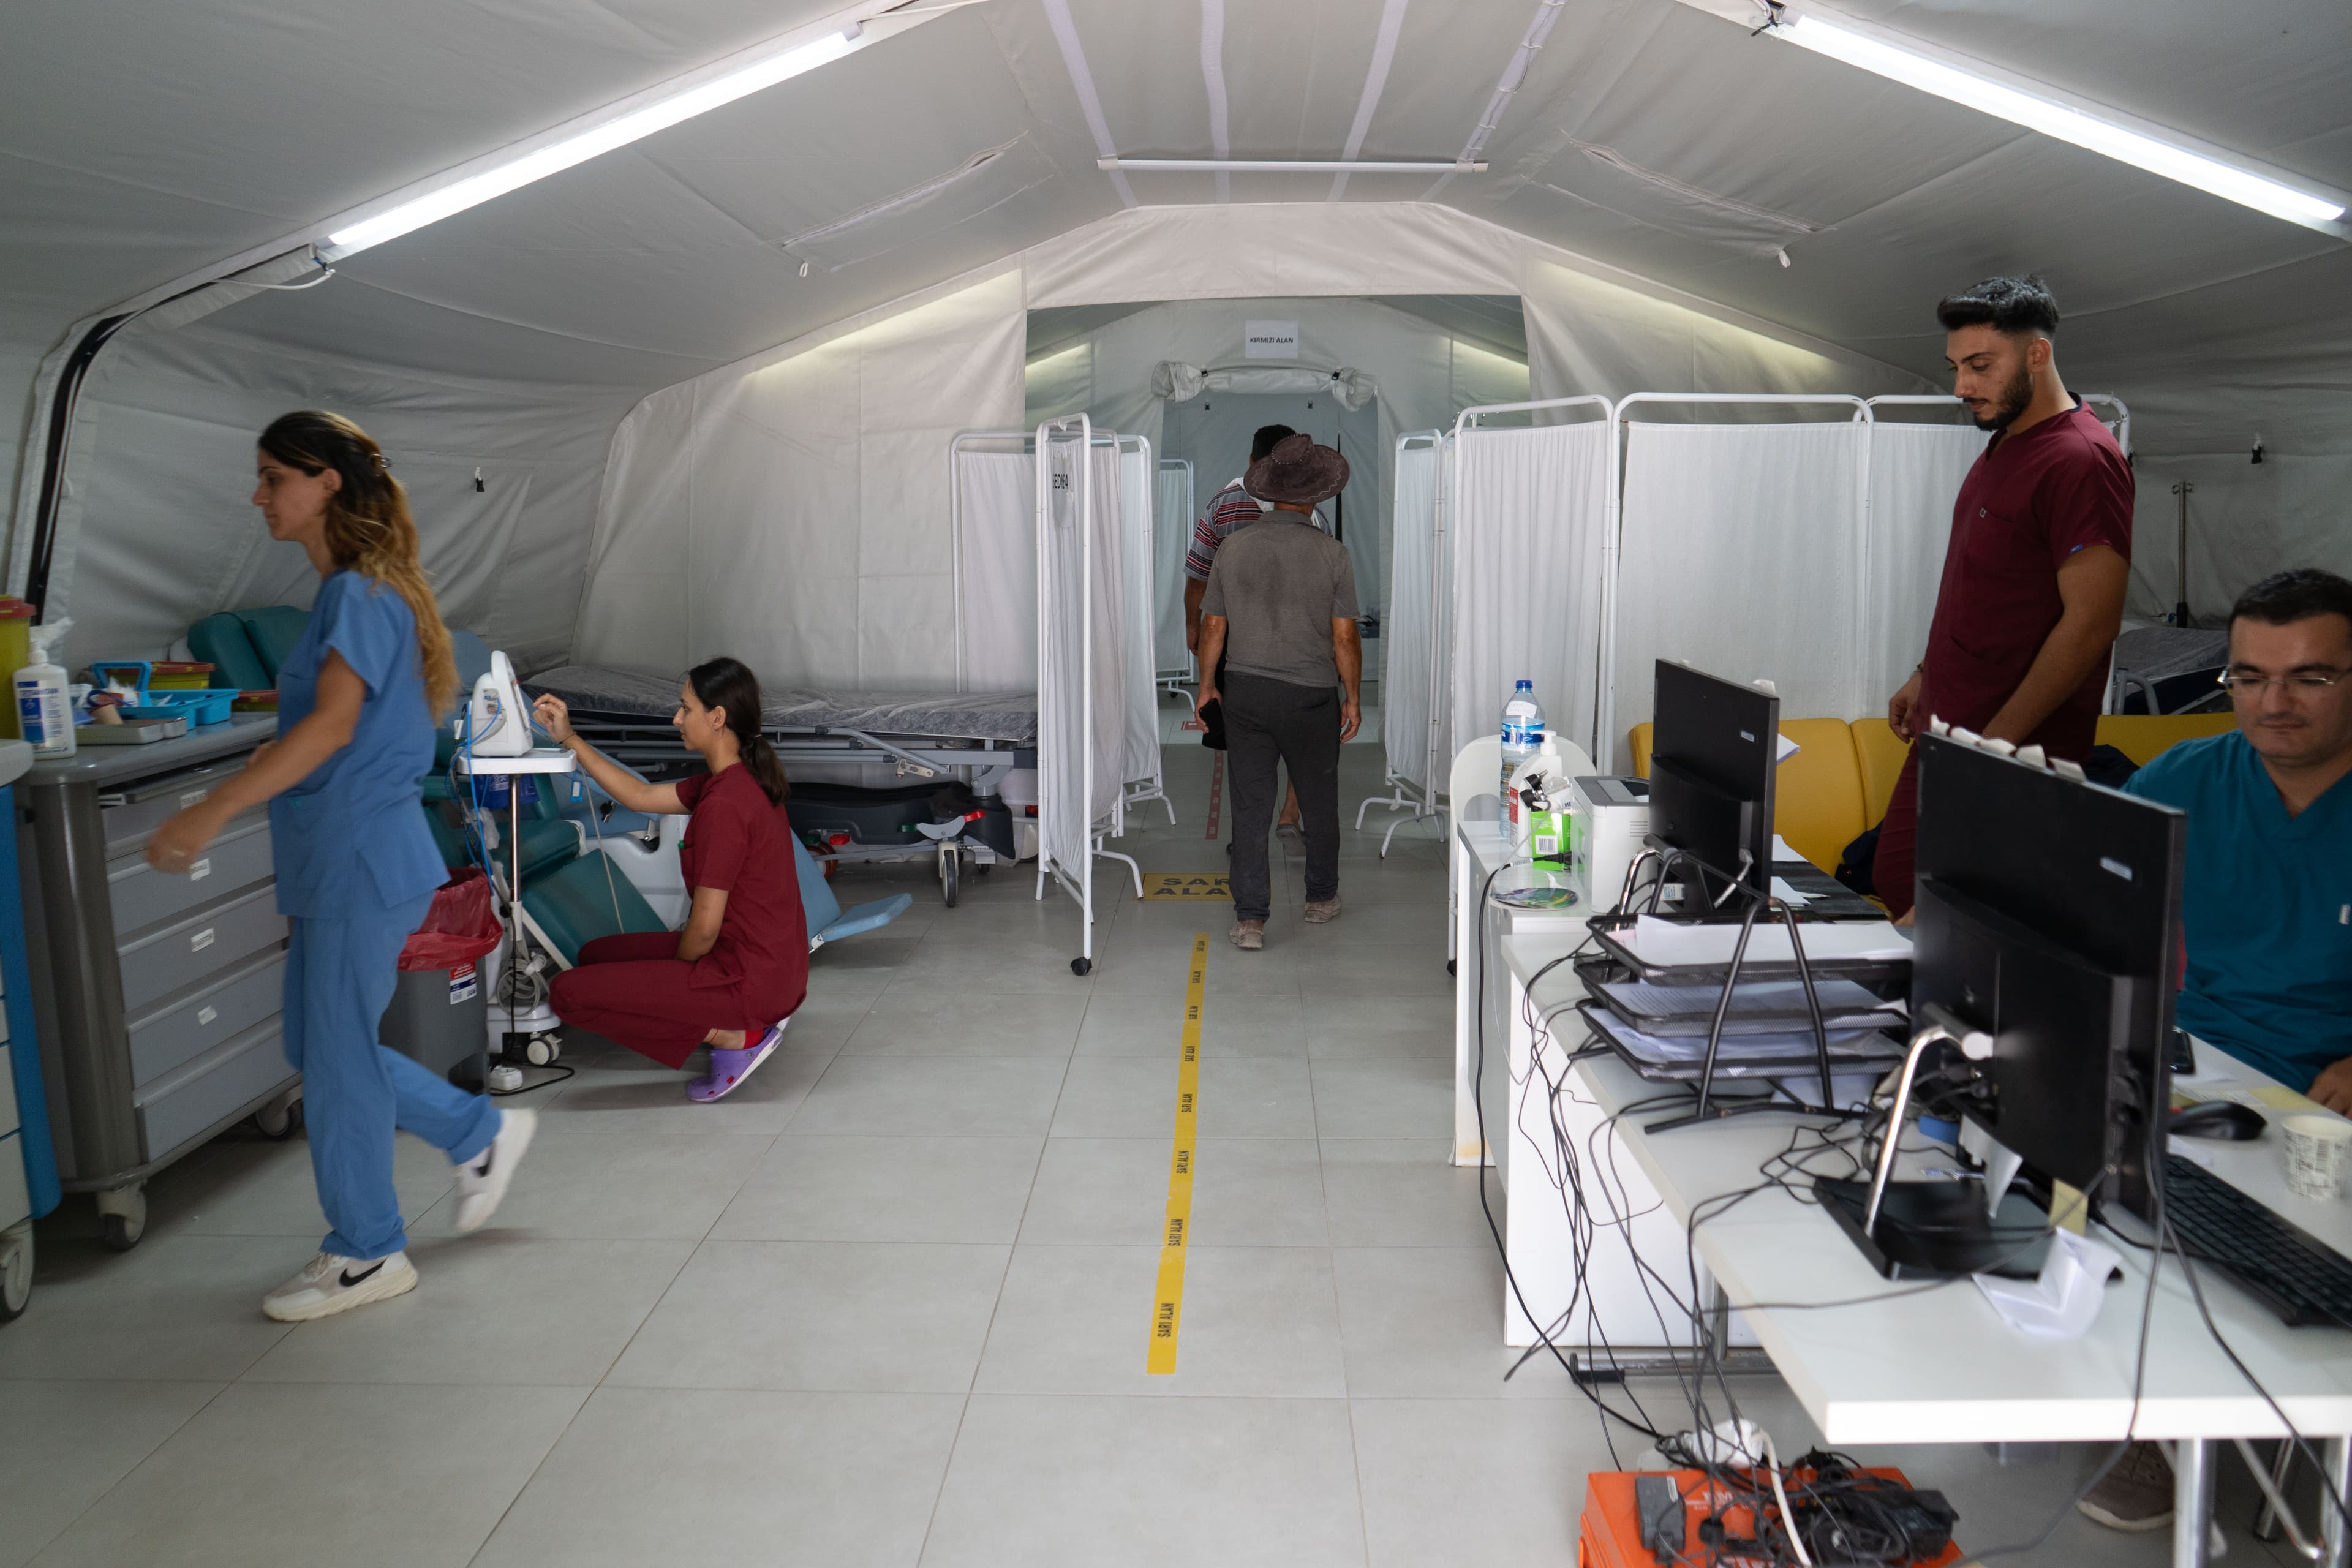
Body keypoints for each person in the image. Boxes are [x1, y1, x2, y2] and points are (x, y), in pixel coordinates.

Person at [146, 411, 533, 1323]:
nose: (259, 495)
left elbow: (330, 728)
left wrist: (213, 809)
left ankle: (368, 1251)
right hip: (345, 855)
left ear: (326, 483)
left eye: (274, 476)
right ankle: (477, 1132)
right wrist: (252, 770)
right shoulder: (349, 595)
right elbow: (324, 726)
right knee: (318, 1049)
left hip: (359, 857)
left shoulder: (360, 596)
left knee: (333, 1056)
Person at [2073, 567, 2352, 1534]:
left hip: (2325, 1095)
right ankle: (2151, 1416)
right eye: (2248, 677)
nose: (2274, 703)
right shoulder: (2184, 780)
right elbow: (2089, 915)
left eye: (2310, 677)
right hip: (2189, 1067)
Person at [1874, 275, 2133, 919]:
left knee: (1956, 926)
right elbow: (1986, 587)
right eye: (1957, 367)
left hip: (2007, 753)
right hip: (1951, 727)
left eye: (1980, 366)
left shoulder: (2081, 459)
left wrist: (1992, 751)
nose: (1962, 386)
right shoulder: (2004, 444)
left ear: (2037, 354)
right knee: (1898, 883)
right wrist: (1924, 673)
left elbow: (2092, 623)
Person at [537, 657, 809, 1101]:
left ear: (717, 718)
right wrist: (568, 737)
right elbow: (639, 795)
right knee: (594, 955)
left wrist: (674, 991)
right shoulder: (731, 781)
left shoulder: (725, 807)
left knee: (568, 995)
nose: (676, 718)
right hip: (770, 966)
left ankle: (734, 1036)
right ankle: (727, 1016)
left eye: (685, 708)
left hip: (748, 979)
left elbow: (703, 928)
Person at [1193, 434, 1362, 949]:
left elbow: (1214, 629)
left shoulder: (1233, 547)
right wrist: (1352, 698)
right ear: (1315, 496)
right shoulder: (1333, 554)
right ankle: (1320, 899)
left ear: (1269, 492)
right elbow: (1343, 637)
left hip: (1245, 692)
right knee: (1317, 798)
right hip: (1311, 695)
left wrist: (1206, 689)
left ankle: (1250, 920)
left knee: (1249, 805)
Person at [1184, 422, 1336, 840]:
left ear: (1253, 464)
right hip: (1305, 646)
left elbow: (1198, 577)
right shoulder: (1315, 516)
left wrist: (1193, 629)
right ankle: (1290, 813)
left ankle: (1247, 833)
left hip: (1238, 645)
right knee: (1304, 741)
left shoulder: (1223, 504)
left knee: (1247, 742)